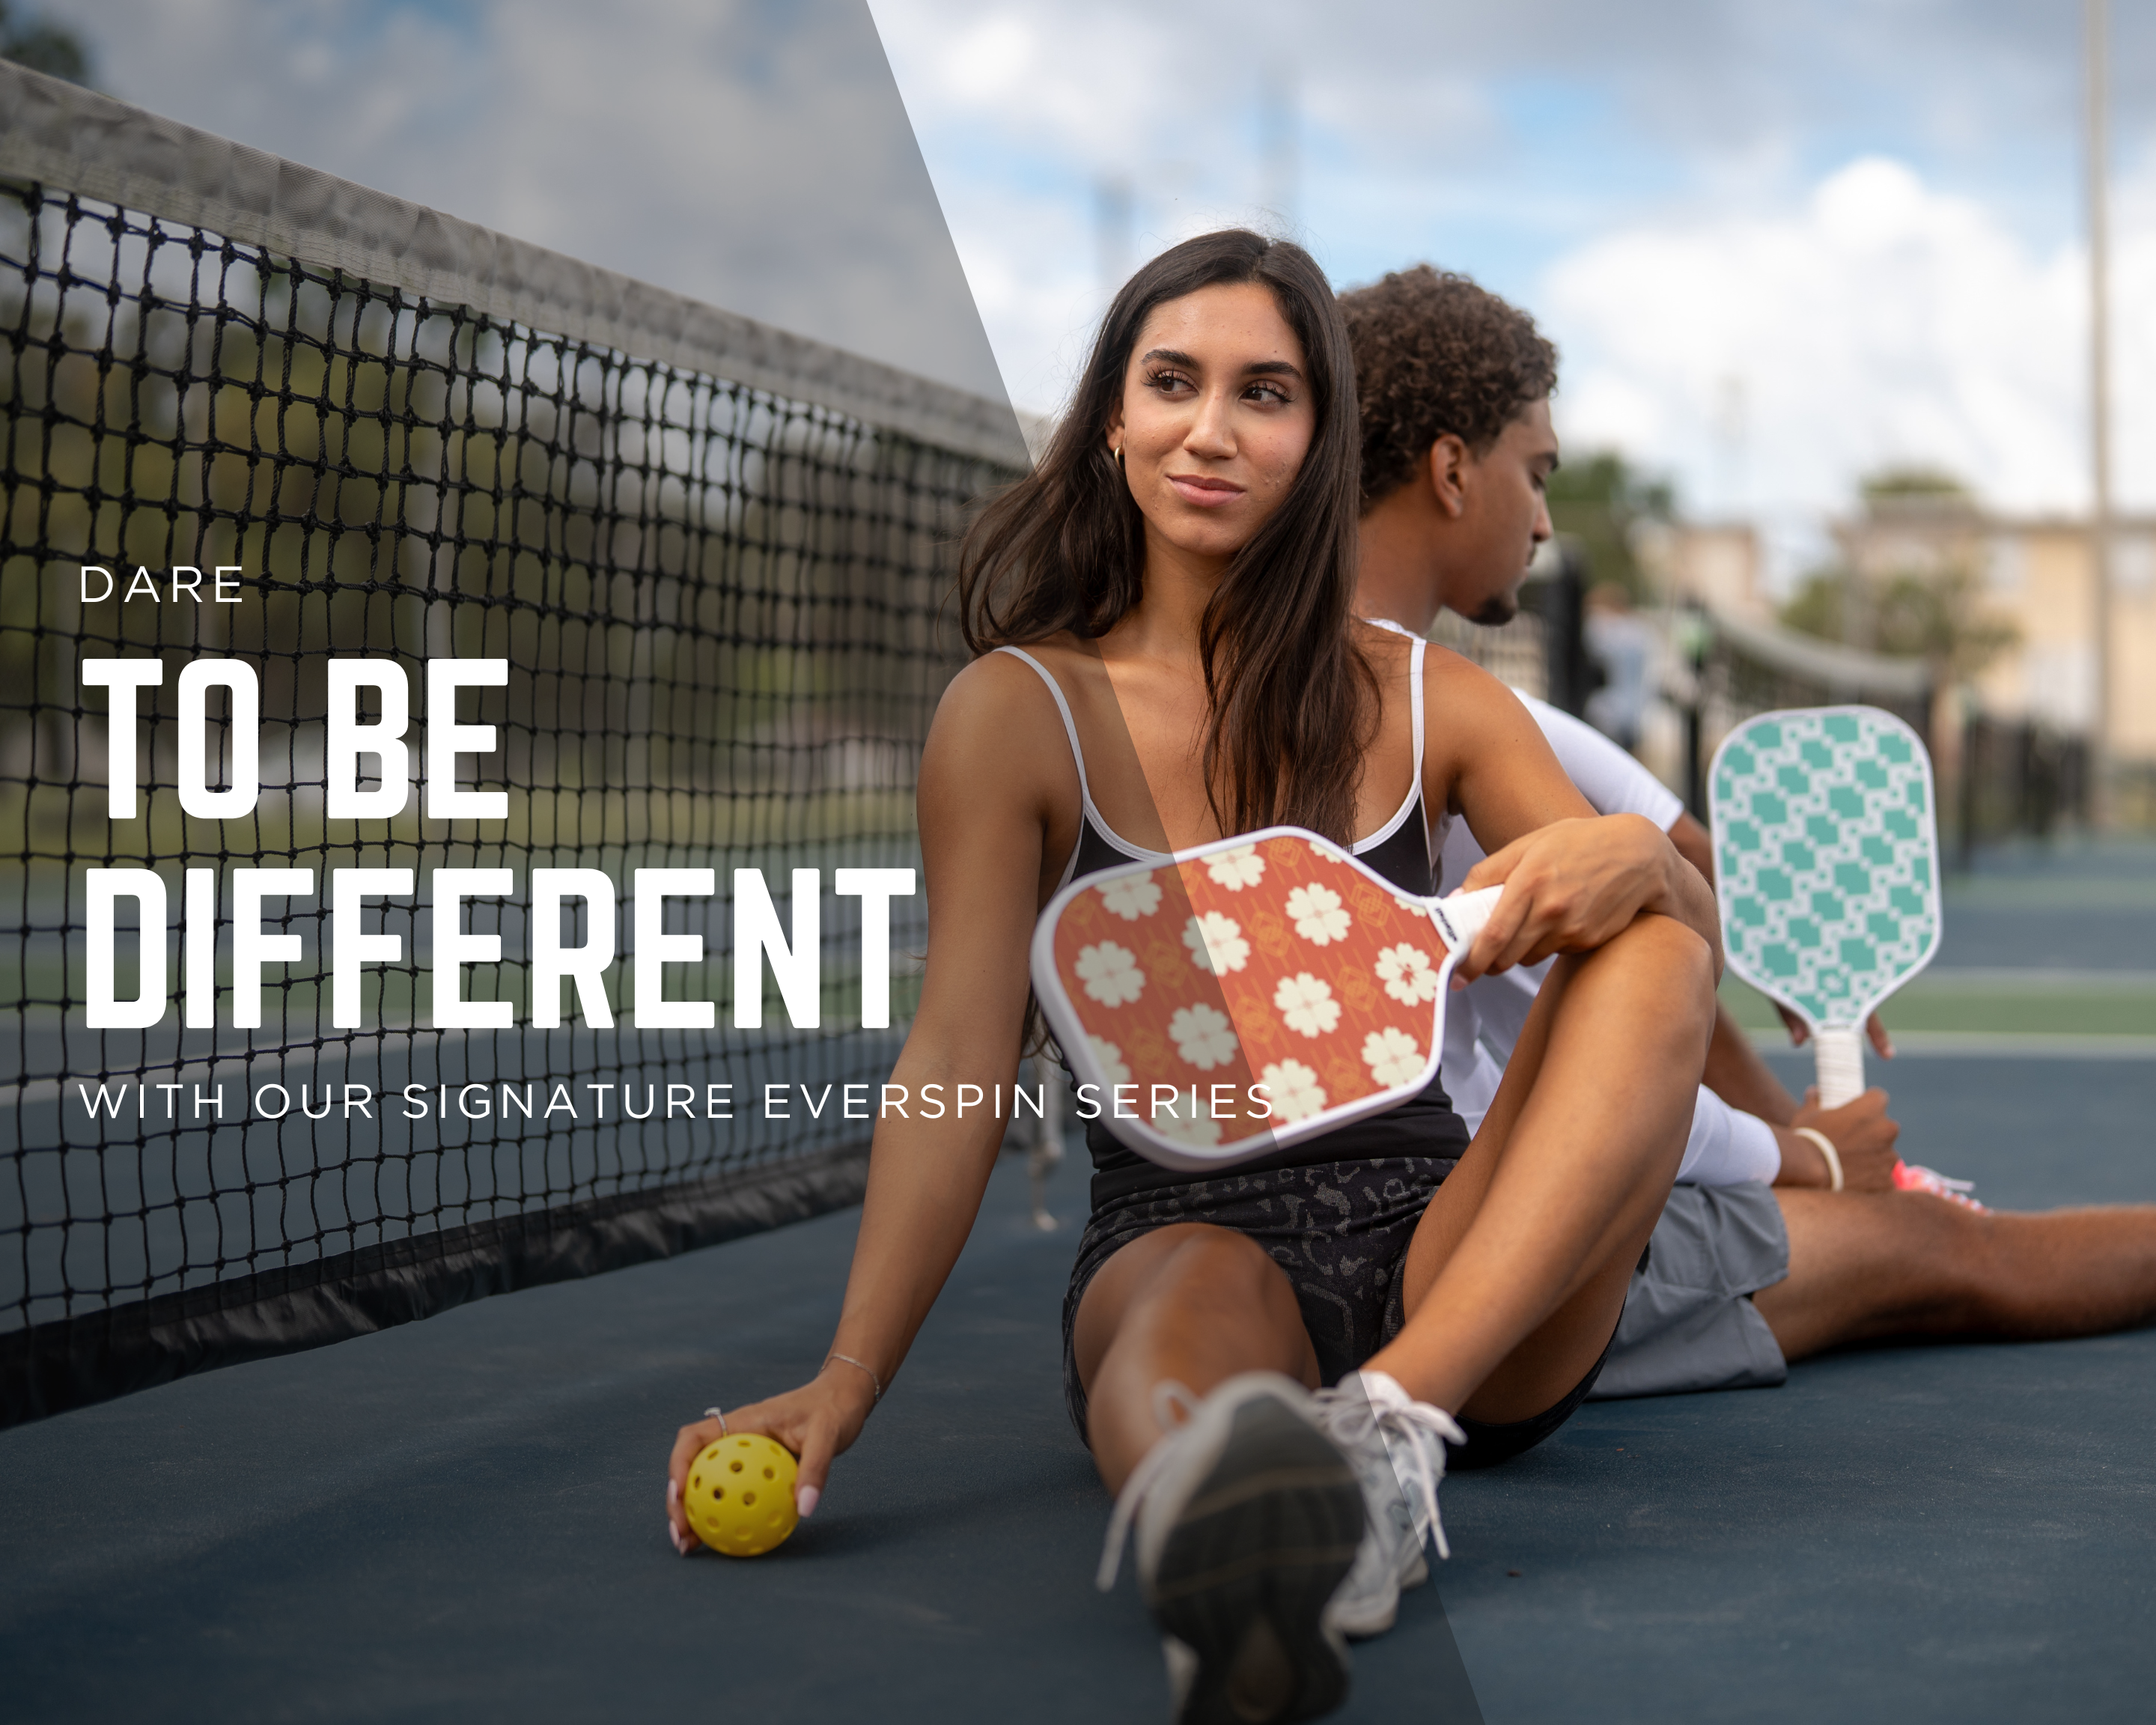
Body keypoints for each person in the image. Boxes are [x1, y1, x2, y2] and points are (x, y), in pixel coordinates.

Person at [667, 231, 1725, 1725]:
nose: (1211, 430)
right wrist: (849, 1374)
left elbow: (1673, 958)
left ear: (1320, 439)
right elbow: (957, 1058)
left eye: (1265, 394)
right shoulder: (1015, 714)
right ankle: (1239, 1568)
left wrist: (1641, 865)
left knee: (1657, 942)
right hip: (1180, 1228)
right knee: (1192, 1327)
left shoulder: (1436, 699)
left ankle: (1390, 1431)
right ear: (1114, 417)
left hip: (1455, 1266)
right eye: (1173, 382)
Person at [1342, 263, 2156, 1398]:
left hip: (1348, 1221)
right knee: (1947, 1248)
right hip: (1492, 1236)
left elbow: (1692, 875)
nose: (1544, 520)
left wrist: (1793, 1123)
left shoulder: (1302, 688)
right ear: (1449, 471)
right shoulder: (1478, 720)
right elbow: (1663, 950)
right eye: (1537, 474)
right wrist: (1800, 1153)